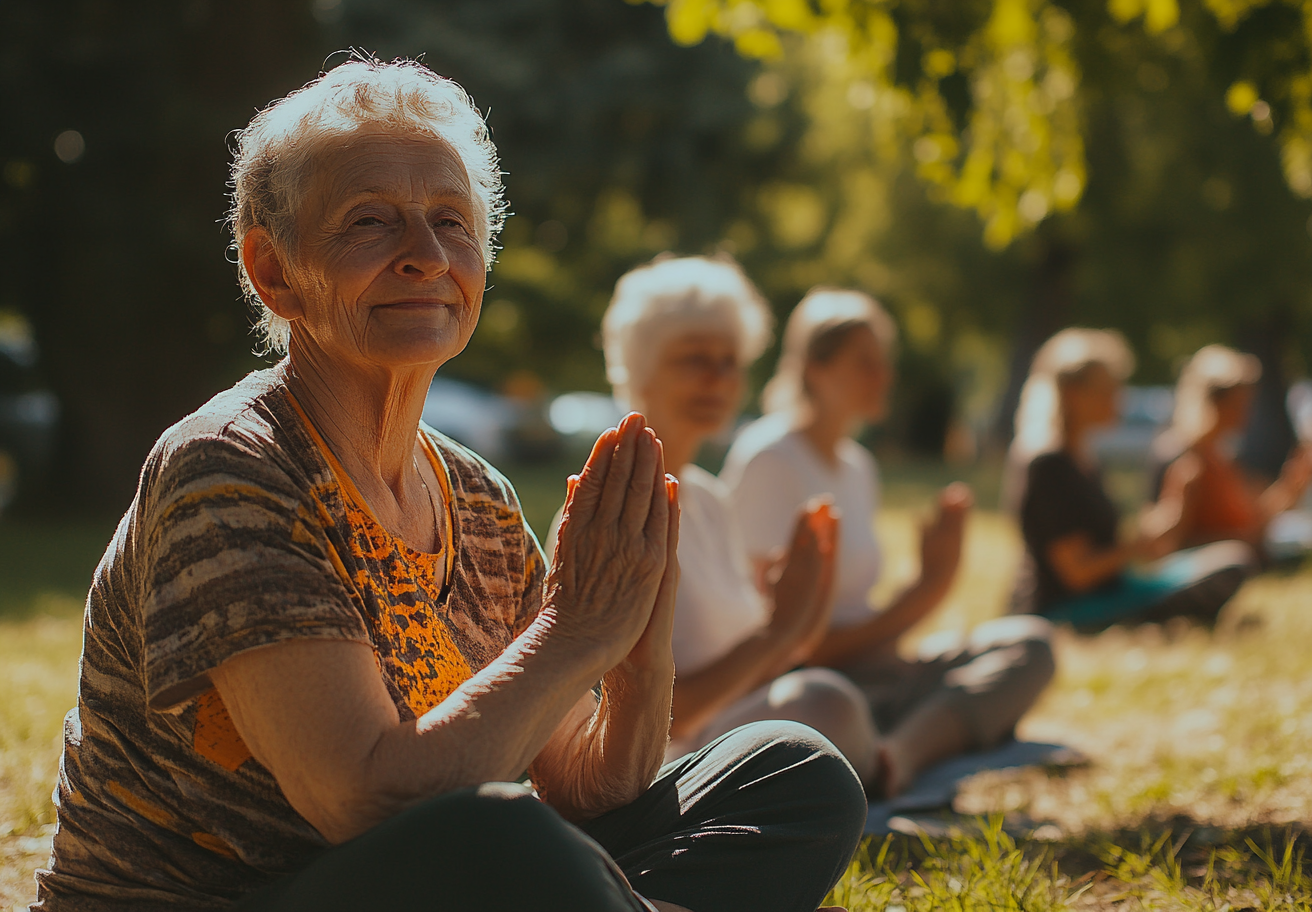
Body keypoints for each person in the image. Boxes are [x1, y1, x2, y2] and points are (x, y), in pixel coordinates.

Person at [30, 59, 866, 912]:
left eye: (451, 223)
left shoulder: (478, 499)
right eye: (370, 223)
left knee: (793, 771)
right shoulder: (229, 469)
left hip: (424, 875)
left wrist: (636, 625)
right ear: (274, 272)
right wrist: (574, 631)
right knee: (500, 837)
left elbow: (589, 786)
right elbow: (364, 798)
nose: (425, 258)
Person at [722, 288, 1055, 798]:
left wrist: (907, 618)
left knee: (1029, 646)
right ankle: (908, 750)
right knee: (826, 704)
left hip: (872, 673)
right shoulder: (771, 460)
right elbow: (777, 645)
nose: (884, 377)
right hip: (810, 685)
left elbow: (858, 613)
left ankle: (896, 754)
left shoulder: (858, 466)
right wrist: (924, 593)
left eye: (884, 363)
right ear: (815, 368)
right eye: (865, 363)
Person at [591, 254, 880, 790]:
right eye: (693, 359)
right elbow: (645, 722)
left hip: (740, 735)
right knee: (826, 703)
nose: (717, 378)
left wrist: (801, 606)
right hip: (667, 771)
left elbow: (765, 665)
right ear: (640, 368)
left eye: (729, 362)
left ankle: (872, 768)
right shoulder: (612, 504)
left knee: (826, 697)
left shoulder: (708, 497)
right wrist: (776, 634)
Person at [1006, 330, 1253, 632]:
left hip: (1114, 588)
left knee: (1230, 558)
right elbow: (1078, 574)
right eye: (1108, 390)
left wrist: (1163, 524)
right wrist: (1135, 547)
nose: (1119, 398)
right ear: (1072, 393)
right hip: (1066, 607)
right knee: (1227, 568)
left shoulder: (1084, 460)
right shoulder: (1049, 465)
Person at [1152, 344, 1312, 560]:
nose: (1247, 412)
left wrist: (1293, 484)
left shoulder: (1222, 454)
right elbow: (1172, 541)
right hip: (1213, 566)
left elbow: (1251, 519)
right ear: (1216, 402)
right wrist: (1237, 543)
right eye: (1240, 402)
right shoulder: (1178, 455)